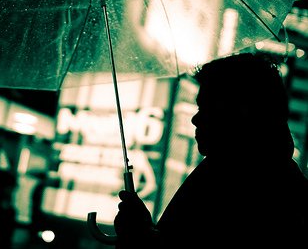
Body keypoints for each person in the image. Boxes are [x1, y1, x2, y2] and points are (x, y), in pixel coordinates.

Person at [114, 52, 308, 248]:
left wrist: (140, 237)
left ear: (241, 111)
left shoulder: (243, 186)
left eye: (206, 107)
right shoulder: (234, 173)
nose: (195, 119)